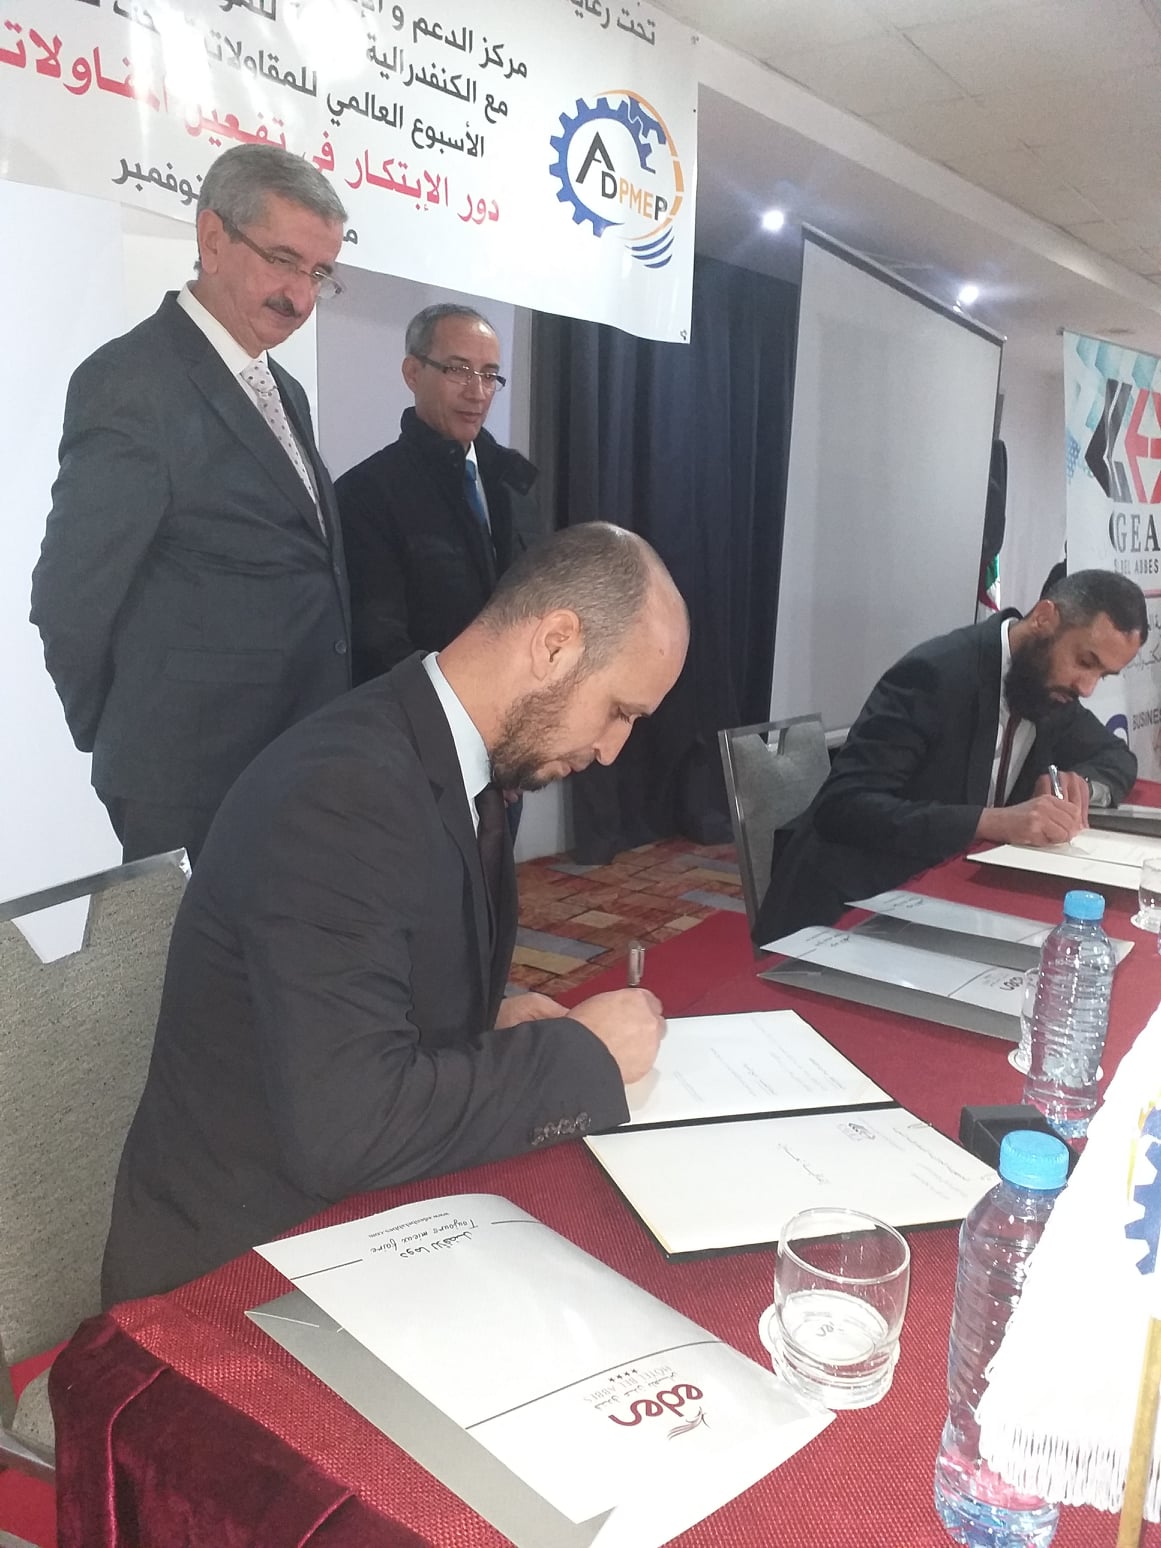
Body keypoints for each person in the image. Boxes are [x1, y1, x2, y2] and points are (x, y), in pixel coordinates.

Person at [101, 523, 689, 1304]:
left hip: (349, 1212)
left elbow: (359, 983)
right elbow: (349, 1131)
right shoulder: (341, 796)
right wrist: (581, 1057)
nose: (612, 750)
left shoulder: (446, 755)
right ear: (554, 643)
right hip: (236, 1274)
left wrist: (484, 1020)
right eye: (618, 711)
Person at [30, 144, 352, 866]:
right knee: (187, 950)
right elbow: (69, 597)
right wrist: (128, 734)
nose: (301, 296)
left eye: (318, 273)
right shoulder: (132, 379)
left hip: (292, 758)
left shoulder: (286, 390)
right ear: (212, 238)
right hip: (187, 782)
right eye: (283, 260)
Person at [754, 570, 1146, 944]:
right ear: (1044, 618)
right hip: (847, 911)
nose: (1087, 687)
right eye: (1085, 661)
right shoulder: (935, 675)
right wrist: (990, 822)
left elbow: (1116, 757)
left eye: (1103, 675)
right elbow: (844, 807)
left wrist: (1083, 785)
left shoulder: (1052, 691)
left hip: (950, 900)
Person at [335, 302, 538, 684]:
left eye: (489, 375)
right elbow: (378, 643)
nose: (477, 393)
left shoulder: (513, 482)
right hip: (428, 710)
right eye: (458, 370)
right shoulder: (366, 493)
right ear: (413, 373)